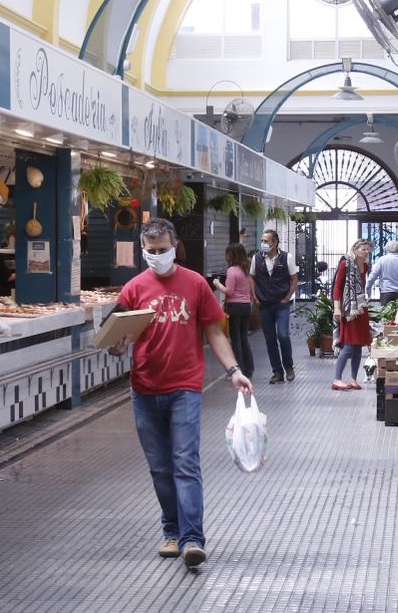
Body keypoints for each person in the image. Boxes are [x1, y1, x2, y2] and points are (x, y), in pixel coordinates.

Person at [111, 218, 253, 568]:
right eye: (151, 250)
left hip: (185, 387)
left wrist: (233, 371)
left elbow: (215, 333)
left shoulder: (195, 285)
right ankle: (171, 531)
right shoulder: (133, 288)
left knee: (185, 462)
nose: (157, 255)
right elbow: (114, 337)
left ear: (175, 246)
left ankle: (192, 539)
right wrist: (116, 345)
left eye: (162, 249)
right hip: (144, 388)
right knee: (160, 467)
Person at [251, 229, 298, 384]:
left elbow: (294, 279)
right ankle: (277, 372)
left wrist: (287, 297)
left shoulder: (286, 257)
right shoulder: (256, 258)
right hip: (264, 304)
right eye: (262, 241)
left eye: (266, 241)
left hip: (281, 304)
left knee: (283, 335)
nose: (263, 244)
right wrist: (254, 296)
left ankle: (289, 367)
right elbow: (252, 277)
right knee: (270, 339)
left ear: (275, 242)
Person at [332, 240, 373, 391]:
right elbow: (337, 286)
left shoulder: (366, 266)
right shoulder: (346, 264)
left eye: (368, 250)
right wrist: (337, 308)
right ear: (355, 250)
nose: (366, 252)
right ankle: (337, 379)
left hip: (361, 309)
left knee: (358, 346)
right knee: (349, 345)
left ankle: (353, 379)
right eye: (363, 249)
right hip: (349, 309)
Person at [213, 242, 255, 380]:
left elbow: (229, 291)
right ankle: (249, 369)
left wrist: (217, 284)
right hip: (246, 307)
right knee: (244, 338)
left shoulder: (232, 271)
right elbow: (250, 291)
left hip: (234, 307)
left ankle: (237, 371)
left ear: (231, 255)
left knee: (235, 338)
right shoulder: (246, 270)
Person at [367, 241, 398, 308]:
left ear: (386, 249)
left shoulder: (382, 260)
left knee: (386, 315)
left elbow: (373, 275)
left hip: (386, 292)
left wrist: (368, 288)